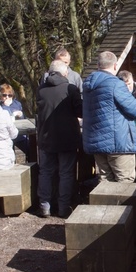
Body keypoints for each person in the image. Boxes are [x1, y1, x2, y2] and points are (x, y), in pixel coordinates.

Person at [82, 51, 136, 182]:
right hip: (117, 141)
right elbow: (135, 110)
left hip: (96, 142)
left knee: (104, 181)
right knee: (124, 180)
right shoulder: (115, 84)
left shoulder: (87, 84)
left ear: (98, 65)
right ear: (115, 66)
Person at [36, 60, 83, 218]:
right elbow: (80, 111)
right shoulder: (71, 89)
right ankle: (63, 208)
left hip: (46, 137)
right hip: (67, 138)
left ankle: (44, 206)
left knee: (46, 172)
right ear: (65, 73)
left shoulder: (41, 90)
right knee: (66, 173)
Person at [0, 83, 32, 161]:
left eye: (9, 95)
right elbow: (6, 117)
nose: (7, 97)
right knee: (9, 155)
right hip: (5, 135)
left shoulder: (17, 104)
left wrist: (21, 115)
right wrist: (6, 106)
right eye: (4, 95)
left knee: (29, 147)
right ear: (0, 96)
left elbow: (23, 120)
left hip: (18, 133)